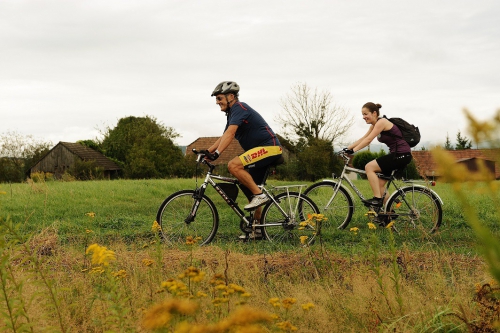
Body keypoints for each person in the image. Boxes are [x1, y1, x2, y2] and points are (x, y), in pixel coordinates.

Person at [202, 81, 282, 235]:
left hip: (268, 147)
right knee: (251, 188)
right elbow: (224, 136)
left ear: (231, 96)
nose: (217, 102)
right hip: (261, 150)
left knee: (233, 166)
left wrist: (217, 154)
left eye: (219, 98)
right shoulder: (233, 114)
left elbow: (230, 134)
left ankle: (259, 196)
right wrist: (206, 152)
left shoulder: (239, 108)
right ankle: (257, 229)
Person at [344, 102, 412, 208]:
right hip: (397, 155)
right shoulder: (374, 125)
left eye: (365, 114)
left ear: (374, 113)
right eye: (362, 114)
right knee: (379, 185)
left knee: (369, 167)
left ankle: (377, 199)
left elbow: (368, 140)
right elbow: (363, 138)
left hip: (401, 155)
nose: (363, 117)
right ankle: (389, 213)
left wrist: (354, 150)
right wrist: (348, 148)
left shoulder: (382, 122)